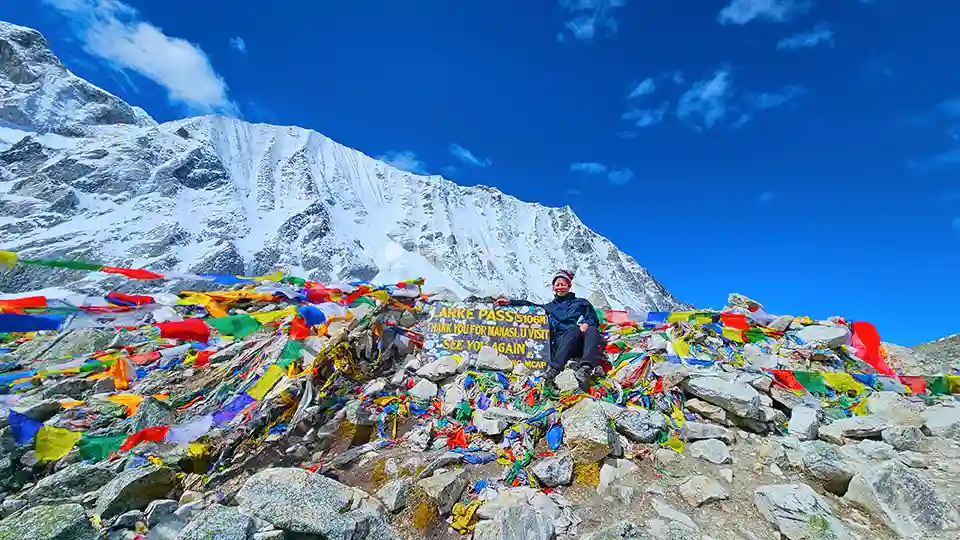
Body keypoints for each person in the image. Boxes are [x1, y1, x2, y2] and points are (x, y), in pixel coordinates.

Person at [495, 269, 602, 390]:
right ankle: (554, 370)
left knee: (592, 330)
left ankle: (585, 369)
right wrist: (510, 302)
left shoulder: (582, 303)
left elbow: (593, 319)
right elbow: (531, 306)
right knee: (573, 330)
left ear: (569, 286)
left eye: (563, 284)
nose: (560, 287)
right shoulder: (550, 307)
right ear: (553, 287)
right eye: (557, 284)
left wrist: (587, 324)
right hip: (562, 344)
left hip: (579, 343)